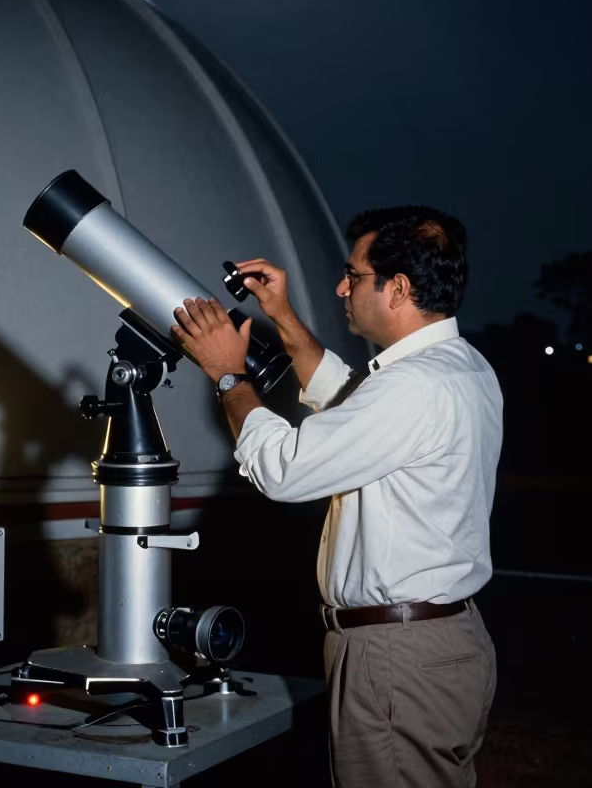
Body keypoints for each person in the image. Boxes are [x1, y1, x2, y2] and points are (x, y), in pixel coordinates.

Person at [172, 205, 503, 788]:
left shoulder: (414, 386)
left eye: (353, 275)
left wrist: (228, 377)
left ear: (397, 289)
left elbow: (283, 470)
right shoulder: (461, 367)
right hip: (436, 642)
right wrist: (284, 317)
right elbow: (352, 406)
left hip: (399, 657)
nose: (340, 286)